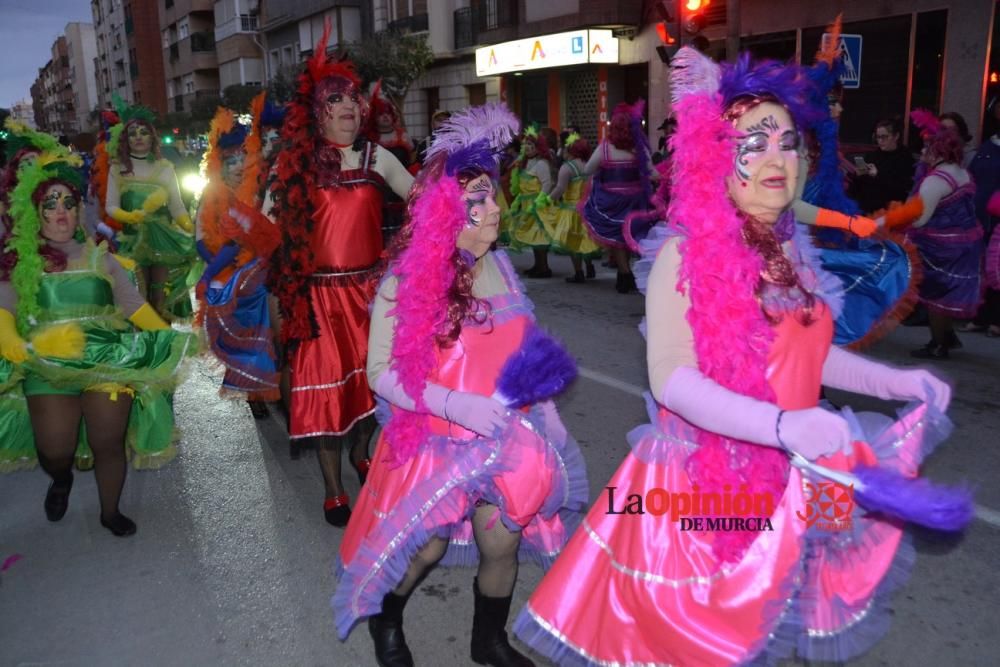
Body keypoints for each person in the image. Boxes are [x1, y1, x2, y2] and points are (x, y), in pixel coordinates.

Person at [514, 48, 953, 667]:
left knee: (772, 625)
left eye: (789, 141)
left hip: (791, 472)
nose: (779, 157)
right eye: (755, 142)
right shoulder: (685, 255)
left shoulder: (793, 248)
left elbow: (806, 357)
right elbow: (671, 380)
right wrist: (782, 425)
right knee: (710, 644)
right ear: (717, 158)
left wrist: (895, 381)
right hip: (704, 488)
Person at [334, 102, 587, 667]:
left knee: (503, 539)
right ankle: (388, 621)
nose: (495, 208)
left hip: (503, 432)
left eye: (492, 196)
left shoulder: (502, 265)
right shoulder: (408, 280)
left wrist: (542, 410)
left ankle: (487, 642)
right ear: (448, 213)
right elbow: (382, 373)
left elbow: (522, 347)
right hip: (435, 435)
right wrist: (455, 404)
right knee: (426, 545)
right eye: (480, 202)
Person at [0, 153, 196, 535]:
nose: (61, 211)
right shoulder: (20, 261)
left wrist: (167, 338)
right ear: (35, 212)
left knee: (109, 441)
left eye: (69, 203)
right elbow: (4, 308)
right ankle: (61, 478)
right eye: (50, 204)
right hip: (48, 364)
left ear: (79, 212)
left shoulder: (101, 258)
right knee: (56, 450)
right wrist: (8, 337)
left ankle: (110, 512)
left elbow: (134, 306)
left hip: (108, 358)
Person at [265, 26, 414, 526]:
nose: (349, 105)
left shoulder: (379, 158)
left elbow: (423, 203)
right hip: (318, 300)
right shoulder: (295, 165)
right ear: (317, 112)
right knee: (325, 395)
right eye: (336, 99)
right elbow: (266, 227)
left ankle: (362, 450)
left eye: (353, 98)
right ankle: (333, 488)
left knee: (375, 389)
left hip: (372, 294)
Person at [195, 105, 281, 418]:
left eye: (240, 159)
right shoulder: (211, 196)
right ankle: (254, 391)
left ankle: (269, 383)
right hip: (230, 273)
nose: (236, 165)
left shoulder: (258, 190)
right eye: (229, 160)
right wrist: (221, 268)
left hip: (263, 269)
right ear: (219, 165)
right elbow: (200, 239)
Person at [103, 97, 196, 320]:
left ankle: (164, 341)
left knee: (160, 295)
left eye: (143, 132)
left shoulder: (165, 168)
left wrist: (189, 226)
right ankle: (145, 343)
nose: (138, 137)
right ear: (126, 139)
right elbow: (110, 206)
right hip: (132, 240)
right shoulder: (118, 169)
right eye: (133, 133)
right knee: (138, 295)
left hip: (162, 240)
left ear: (152, 136)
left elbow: (177, 206)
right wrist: (127, 216)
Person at [905, 111, 985, 358]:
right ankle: (947, 338)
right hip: (965, 243)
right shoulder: (960, 172)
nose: (924, 151)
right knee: (948, 295)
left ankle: (939, 345)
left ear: (938, 149)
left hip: (942, 248)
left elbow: (920, 220)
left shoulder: (935, 180)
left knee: (936, 297)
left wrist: (898, 218)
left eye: (928, 146)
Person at [581, 100, 658, 293]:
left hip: (611, 200)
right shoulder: (639, 149)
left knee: (616, 238)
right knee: (633, 236)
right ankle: (633, 273)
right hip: (636, 200)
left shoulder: (605, 148)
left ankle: (624, 274)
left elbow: (588, 169)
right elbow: (652, 172)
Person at [964, 111, 1000, 337]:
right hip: (980, 216)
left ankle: (996, 317)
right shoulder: (988, 145)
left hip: (997, 218)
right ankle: (982, 314)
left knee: (997, 267)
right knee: (983, 269)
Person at [548, 132, 600, 283]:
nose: (562, 151)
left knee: (573, 241)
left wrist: (547, 199)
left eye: (565, 149)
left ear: (571, 151)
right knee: (586, 239)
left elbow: (560, 188)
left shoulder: (567, 167)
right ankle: (589, 265)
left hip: (571, 210)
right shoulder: (589, 165)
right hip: (589, 208)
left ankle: (579, 272)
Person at [508, 126, 556, 277]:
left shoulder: (541, 163)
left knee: (540, 237)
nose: (527, 147)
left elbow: (547, 184)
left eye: (531, 145)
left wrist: (539, 203)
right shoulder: (525, 162)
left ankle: (544, 268)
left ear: (538, 147)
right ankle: (537, 265)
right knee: (533, 237)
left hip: (538, 206)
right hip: (526, 205)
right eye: (525, 144)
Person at [850, 117, 916, 213]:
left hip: (888, 212)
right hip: (864, 210)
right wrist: (858, 175)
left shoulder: (905, 158)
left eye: (884, 137)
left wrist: (878, 175)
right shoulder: (872, 156)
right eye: (877, 137)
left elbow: (902, 189)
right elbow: (857, 187)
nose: (880, 141)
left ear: (896, 136)